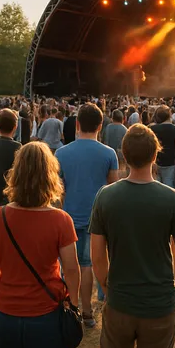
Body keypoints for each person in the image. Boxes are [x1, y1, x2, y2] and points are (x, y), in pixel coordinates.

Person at [90, 124, 175, 348]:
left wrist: (107, 288)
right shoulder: (171, 199)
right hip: (159, 305)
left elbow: (97, 256)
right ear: (155, 155)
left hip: (120, 302)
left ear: (124, 155)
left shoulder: (105, 196)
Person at [0, 142, 81, 348]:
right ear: (51, 175)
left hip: (7, 314)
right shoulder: (61, 220)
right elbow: (72, 269)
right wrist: (74, 304)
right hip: (47, 316)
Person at [55, 103, 118, 327]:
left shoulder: (61, 153)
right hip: (97, 218)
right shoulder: (109, 153)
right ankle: (88, 312)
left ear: (78, 124)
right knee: (88, 264)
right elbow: (113, 187)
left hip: (68, 216)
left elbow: (57, 189)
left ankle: (70, 308)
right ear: (100, 126)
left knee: (67, 265)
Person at [151, 106, 175, 189]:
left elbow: (150, 147)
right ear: (169, 115)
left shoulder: (152, 129)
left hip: (156, 162)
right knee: (169, 187)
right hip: (170, 162)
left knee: (157, 188)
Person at [103, 109, 129, 174]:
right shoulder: (125, 130)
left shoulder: (108, 128)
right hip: (121, 159)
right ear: (122, 119)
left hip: (108, 157)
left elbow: (103, 141)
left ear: (112, 118)